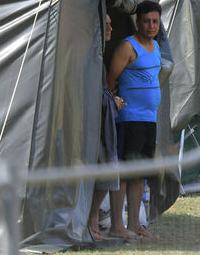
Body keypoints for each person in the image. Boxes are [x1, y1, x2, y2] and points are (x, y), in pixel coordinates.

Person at [107, 1, 162, 239]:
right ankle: (117, 225)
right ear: (138, 21)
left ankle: (134, 224)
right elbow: (110, 80)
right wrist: (116, 103)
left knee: (139, 173)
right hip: (130, 119)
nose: (151, 26)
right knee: (125, 171)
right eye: (146, 21)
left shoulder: (156, 46)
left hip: (149, 119)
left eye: (155, 21)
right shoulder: (127, 46)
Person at [87, 14, 126, 241]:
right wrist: (112, 101)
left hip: (102, 126)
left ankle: (93, 221)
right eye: (107, 24)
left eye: (111, 23)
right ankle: (91, 223)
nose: (111, 28)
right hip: (93, 129)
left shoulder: (98, 56)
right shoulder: (90, 57)